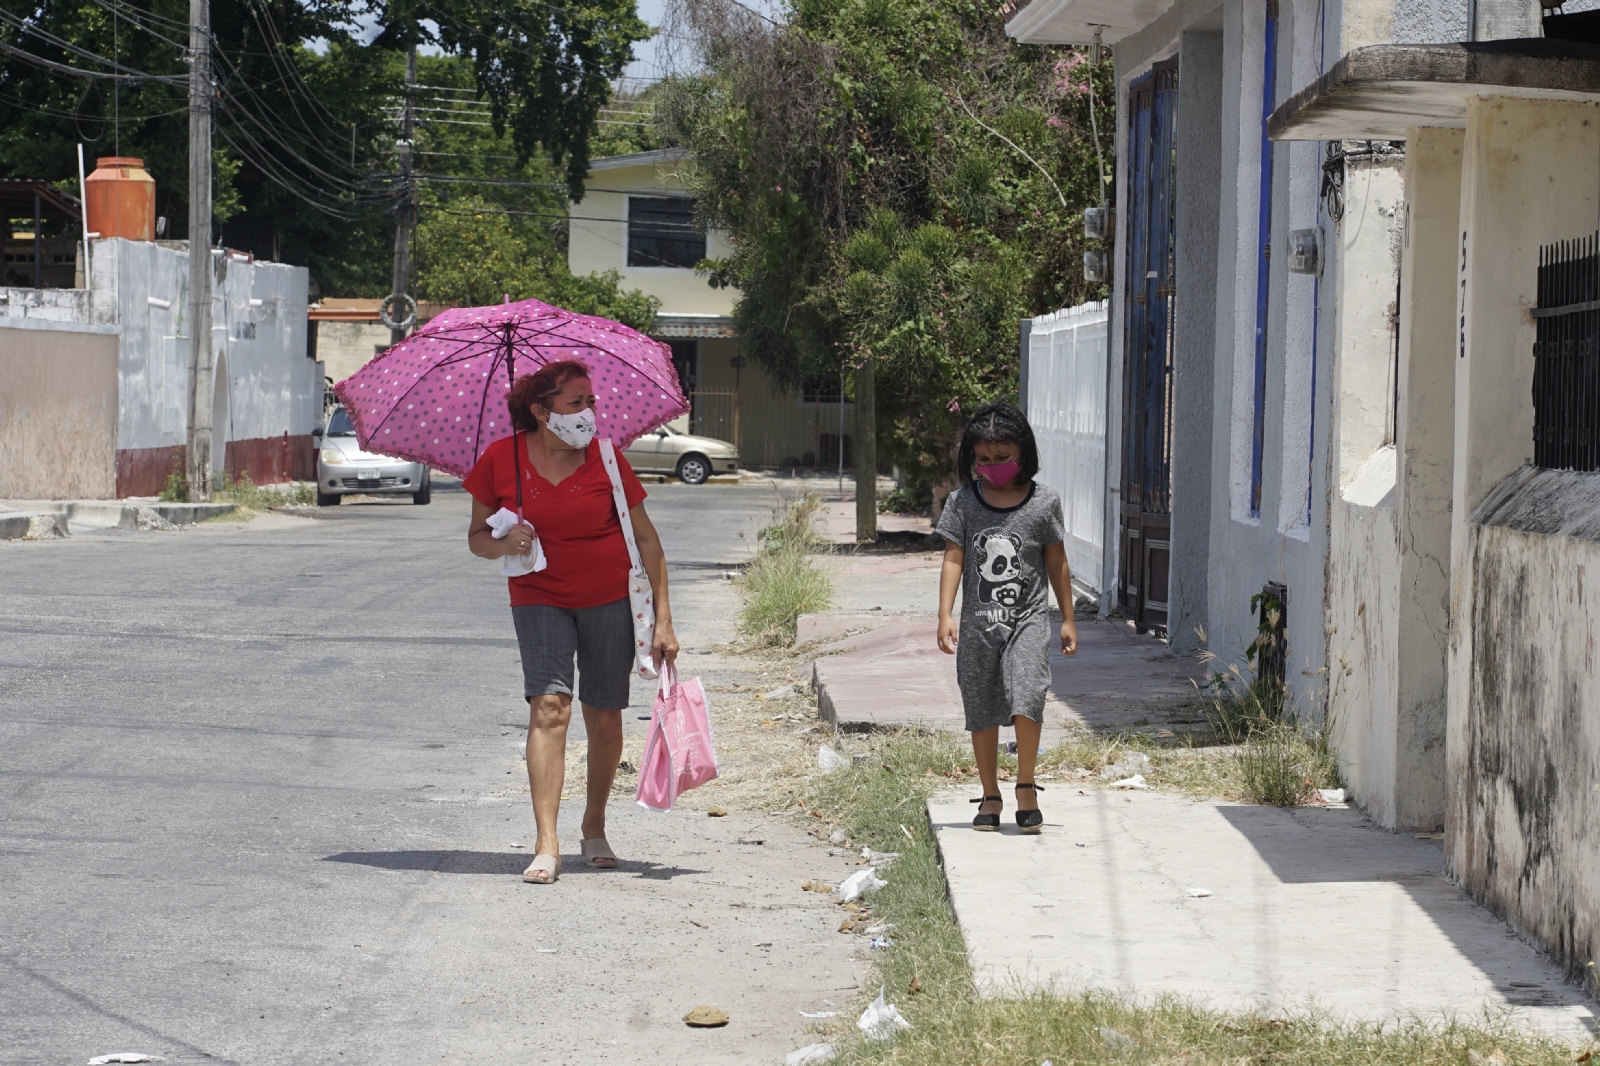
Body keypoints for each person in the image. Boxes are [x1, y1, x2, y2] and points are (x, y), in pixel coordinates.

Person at [463, 359, 679, 884]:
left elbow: (646, 538)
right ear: (541, 411)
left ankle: (595, 823)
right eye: (575, 402)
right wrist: (502, 543)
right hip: (538, 596)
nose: (589, 412)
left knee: (604, 719)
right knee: (550, 707)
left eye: (591, 402)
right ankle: (546, 841)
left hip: (609, 599)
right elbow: (476, 540)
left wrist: (665, 620)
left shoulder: (607, 459)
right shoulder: (501, 460)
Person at [935, 401, 1077, 834]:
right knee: (980, 704)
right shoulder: (962, 503)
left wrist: (1068, 618)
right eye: (983, 459)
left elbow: (1056, 563)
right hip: (979, 625)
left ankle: (1026, 787)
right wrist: (944, 614)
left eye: (1002, 458)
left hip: (1029, 619)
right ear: (971, 458)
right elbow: (954, 558)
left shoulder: (1044, 502)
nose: (992, 466)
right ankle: (990, 794)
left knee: (1027, 693)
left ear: (1023, 454)